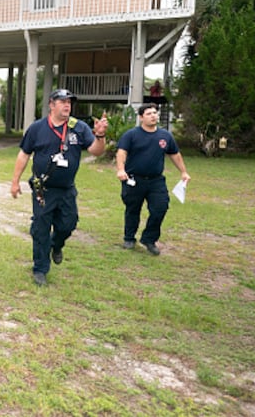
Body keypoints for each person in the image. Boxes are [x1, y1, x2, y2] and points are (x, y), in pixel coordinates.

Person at [10, 89, 108, 286]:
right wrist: (15, 181)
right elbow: (24, 154)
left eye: (69, 102)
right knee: (41, 227)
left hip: (66, 189)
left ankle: (56, 244)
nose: (67, 105)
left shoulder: (78, 127)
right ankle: (40, 269)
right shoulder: (37, 128)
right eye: (62, 101)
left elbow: (96, 152)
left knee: (68, 224)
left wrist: (100, 135)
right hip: (43, 189)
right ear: (51, 104)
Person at [115, 103, 190, 255]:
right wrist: (121, 169)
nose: (153, 116)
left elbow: (174, 154)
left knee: (160, 208)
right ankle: (129, 238)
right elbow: (121, 152)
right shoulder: (131, 135)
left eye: (155, 113)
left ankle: (149, 239)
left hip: (156, 181)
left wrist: (183, 172)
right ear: (141, 117)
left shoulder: (165, 136)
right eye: (149, 113)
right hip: (134, 179)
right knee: (132, 209)